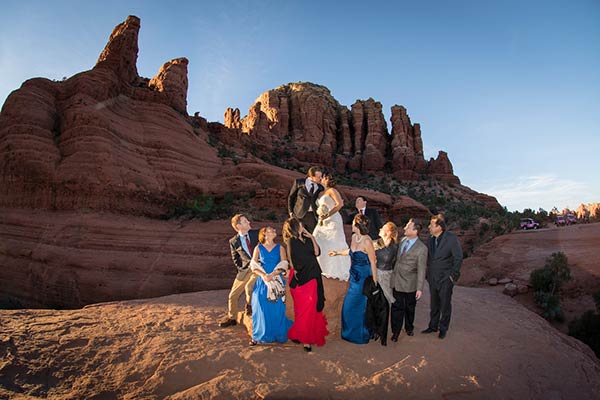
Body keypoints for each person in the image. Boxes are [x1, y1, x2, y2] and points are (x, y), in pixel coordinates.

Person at [329, 214, 377, 344]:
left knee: (358, 306)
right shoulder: (354, 237)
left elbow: (373, 262)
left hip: (363, 277)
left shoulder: (367, 241)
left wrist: (374, 281)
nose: (351, 225)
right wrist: (337, 253)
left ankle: (360, 335)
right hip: (354, 276)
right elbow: (351, 251)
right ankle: (349, 334)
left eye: (353, 223)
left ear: (357, 225)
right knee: (348, 308)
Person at [283, 217, 329, 352]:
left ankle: (305, 338)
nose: (302, 225)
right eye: (299, 224)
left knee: (312, 307)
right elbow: (293, 262)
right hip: (302, 278)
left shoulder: (308, 239)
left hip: (314, 275)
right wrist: (301, 273)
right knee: (303, 309)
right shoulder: (291, 241)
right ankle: (304, 338)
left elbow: (317, 252)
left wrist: (312, 237)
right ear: (294, 227)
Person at [248, 227, 293, 345]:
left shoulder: (280, 247)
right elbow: (253, 265)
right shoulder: (258, 248)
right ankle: (257, 335)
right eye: (270, 230)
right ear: (264, 234)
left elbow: (284, 263)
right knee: (260, 304)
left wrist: (272, 274)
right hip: (263, 280)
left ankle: (278, 334)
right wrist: (263, 275)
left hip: (276, 278)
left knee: (277, 307)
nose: (274, 231)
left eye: (274, 230)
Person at [422, 214, 463, 339]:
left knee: (445, 304)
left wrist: (452, 275)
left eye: (432, 225)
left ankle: (443, 328)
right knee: (434, 303)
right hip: (433, 277)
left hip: (446, 278)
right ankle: (433, 326)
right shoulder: (430, 239)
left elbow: (458, 257)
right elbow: (429, 259)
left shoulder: (451, 238)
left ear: (439, 227)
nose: (429, 227)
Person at [391, 219, 427, 341]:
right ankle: (395, 332)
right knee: (396, 307)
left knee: (410, 308)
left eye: (408, 226)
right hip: (396, 281)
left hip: (410, 284)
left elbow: (422, 269)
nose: (405, 228)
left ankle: (409, 327)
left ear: (415, 230)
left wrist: (419, 288)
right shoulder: (402, 241)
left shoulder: (422, 248)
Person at [220, 214, 259, 328]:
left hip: (258, 268)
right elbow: (235, 258)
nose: (249, 222)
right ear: (238, 226)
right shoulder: (233, 241)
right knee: (233, 295)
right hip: (244, 271)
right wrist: (242, 268)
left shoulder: (257, 233)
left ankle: (249, 305)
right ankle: (232, 318)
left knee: (249, 288)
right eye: (245, 221)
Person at [312, 171, 351, 280]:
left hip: (333, 220)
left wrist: (328, 214)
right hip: (322, 221)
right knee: (317, 239)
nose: (321, 179)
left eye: (323, 177)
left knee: (334, 242)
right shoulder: (319, 193)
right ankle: (322, 268)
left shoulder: (332, 191)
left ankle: (337, 271)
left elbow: (340, 204)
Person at [288, 166, 324, 233]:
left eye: (321, 176)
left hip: (312, 216)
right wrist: (291, 212)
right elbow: (291, 197)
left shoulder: (320, 188)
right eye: (318, 177)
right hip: (298, 214)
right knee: (296, 235)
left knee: (311, 236)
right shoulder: (299, 182)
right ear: (312, 176)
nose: (321, 178)